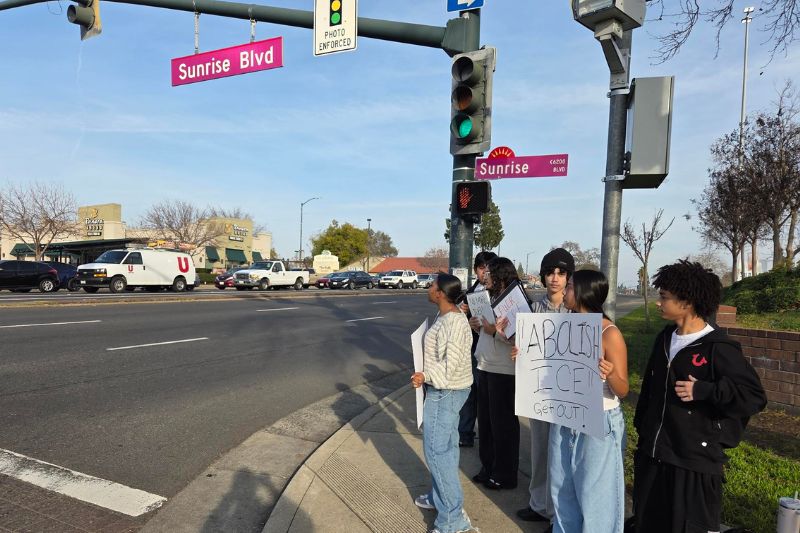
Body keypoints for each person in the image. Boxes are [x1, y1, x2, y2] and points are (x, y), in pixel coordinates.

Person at [631, 260, 767, 533]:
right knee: (647, 523)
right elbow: (649, 390)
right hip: (654, 457)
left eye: (664, 297)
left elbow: (754, 396)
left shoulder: (719, 348)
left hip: (694, 463)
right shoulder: (665, 338)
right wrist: (643, 431)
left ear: (688, 302)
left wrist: (704, 390)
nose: (659, 303)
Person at [546, 269, 629, 533]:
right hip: (565, 415)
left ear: (583, 292)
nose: (564, 290)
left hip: (598, 420)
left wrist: (610, 373)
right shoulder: (563, 325)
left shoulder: (609, 333)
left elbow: (623, 389)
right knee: (561, 489)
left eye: (569, 286)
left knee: (597, 498)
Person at [411, 273, 476, 533]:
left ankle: (452, 519)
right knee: (446, 451)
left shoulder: (454, 323)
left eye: (432, 286)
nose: (428, 288)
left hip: (445, 392)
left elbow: (451, 367)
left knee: (437, 454)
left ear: (441, 294)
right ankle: (442, 499)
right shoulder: (447, 316)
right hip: (444, 391)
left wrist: (425, 375)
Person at [516, 248, 575, 526]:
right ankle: (538, 504)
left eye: (561, 273)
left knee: (561, 456)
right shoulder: (534, 309)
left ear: (568, 278)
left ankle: (558, 515)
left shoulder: (576, 310)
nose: (555, 278)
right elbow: (526, 346)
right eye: (550, 272)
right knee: (539, 450)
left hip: (566, 393)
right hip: (538, 392)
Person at [471, 257, 521, 490]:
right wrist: (478, 326)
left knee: (503, 425)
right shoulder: (487, 299)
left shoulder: (515, 301)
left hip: (504, 371)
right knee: (487, 423)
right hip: (485, 365)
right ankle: (488, 466)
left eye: (490, 272)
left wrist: (494, 332)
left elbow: (519, 338)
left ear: (501, 275)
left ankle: (505, 473)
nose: (485, 276)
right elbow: (487, 330)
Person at [458, 251, 498, 448]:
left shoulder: (500, 291)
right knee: (470, 391)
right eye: (482, 268)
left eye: (490, 267)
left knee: (487, 396)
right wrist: (464, 314)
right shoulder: (468, 294)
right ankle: (465, 433)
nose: (486, 272)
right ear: (476, 270)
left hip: (495, 350)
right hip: (473, 349)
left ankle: (487, 437)